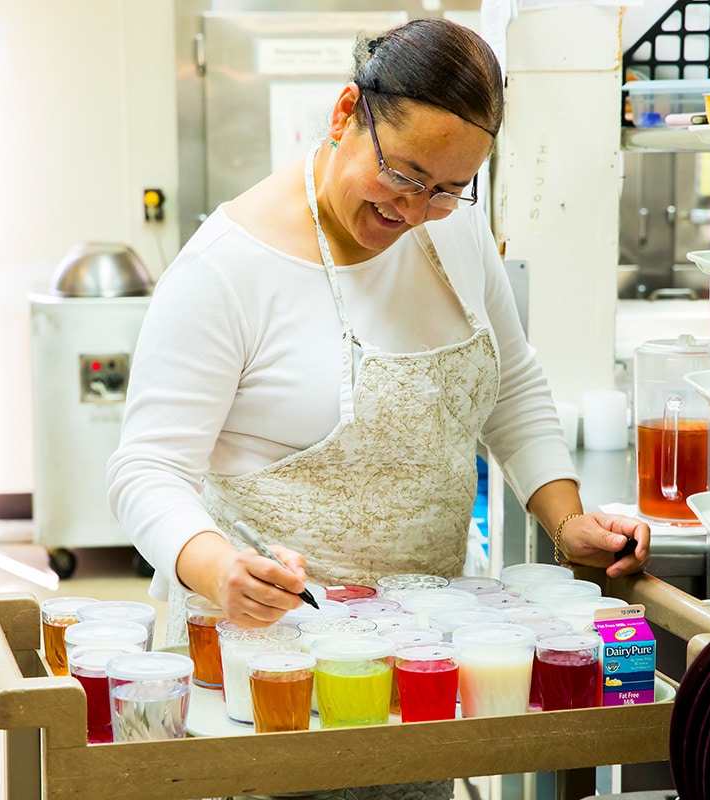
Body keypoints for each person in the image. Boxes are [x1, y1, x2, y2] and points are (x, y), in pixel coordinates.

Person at [108, 18, 651, 646]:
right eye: (404, 173)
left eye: (448, 189)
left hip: (427, 637)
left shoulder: (456, 230)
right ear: (346, 114)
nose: (414, 212)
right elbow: (146, 469)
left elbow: (511, 388)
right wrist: (219, 568)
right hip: (265, 643)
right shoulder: (226, 269)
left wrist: (568, 523)